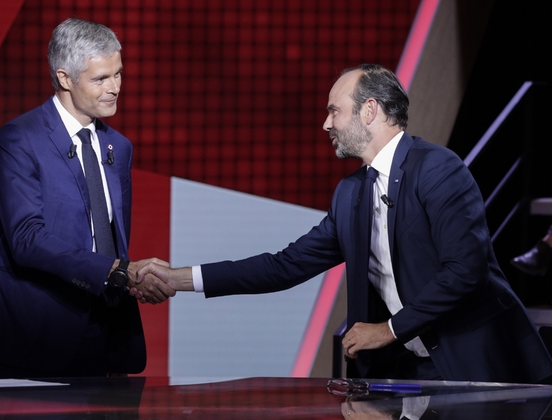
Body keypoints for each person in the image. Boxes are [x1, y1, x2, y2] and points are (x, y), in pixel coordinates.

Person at [136, 64, 552, 383]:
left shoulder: (439, 169)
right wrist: (178, 278)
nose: (326, 124)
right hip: (413, 373)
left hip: (480, 367)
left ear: (370, 110)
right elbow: (284, 266)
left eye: (334, 110)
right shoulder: (351, 193)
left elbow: (465, 272)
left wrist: (388, 329)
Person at [0, 18, 175, 379]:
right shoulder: (19, 139)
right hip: (27, 338)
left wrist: (127, 278)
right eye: (100, 79)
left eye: (118, 74)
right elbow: (26, 239)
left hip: (104, 339)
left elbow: (112, 241)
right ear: (65, 78)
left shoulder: (119, 147)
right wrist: (115, 271)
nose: (115, 87)